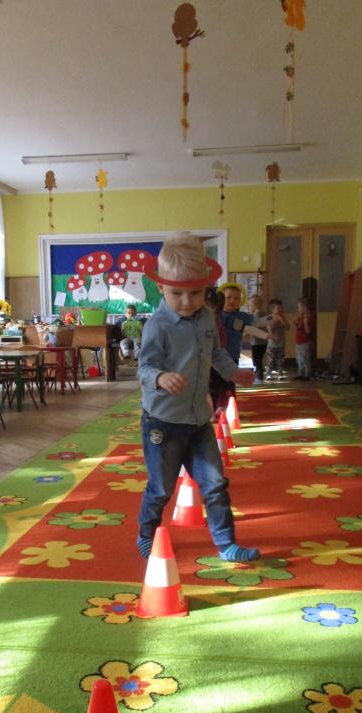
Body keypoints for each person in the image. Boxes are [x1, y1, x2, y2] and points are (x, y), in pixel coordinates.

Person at [137, 232, 260, 564]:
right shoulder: (157, 326)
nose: (187, 301)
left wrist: (233, 372)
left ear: (206, 288)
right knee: (161, 489)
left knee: (215, 483)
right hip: (163, 422)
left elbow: (216, 353)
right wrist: (160, 377)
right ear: (161, 287)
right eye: (177, 293)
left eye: (196, 292)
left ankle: (226, 544)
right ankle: (146, 534)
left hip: (198, 420)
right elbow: (144, 368)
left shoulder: (207, 317)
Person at [204, 286, 230, 417]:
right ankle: (214, 409)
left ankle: (215, 409)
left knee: (215, 386)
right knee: (212, 387)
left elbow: (218, 347)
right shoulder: (212, 320)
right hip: (207, 361)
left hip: (213, 361)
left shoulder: (215, 321)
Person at [264, 298, 290, 381]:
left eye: (281, 308)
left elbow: (288, 327)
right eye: (278, 308)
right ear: (272, 309)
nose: (280, 310)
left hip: (281, 342)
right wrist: (275, 321)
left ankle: (280, 373)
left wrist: (282, 320)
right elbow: (269, 329)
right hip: (272, 343)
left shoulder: (283, 317)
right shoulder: (269, 317)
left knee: (280, 359)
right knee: (270, 359)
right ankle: (268, 374)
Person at [247, 294, 268, 383]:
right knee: (259, 358)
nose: (249, 307)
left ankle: (259, 375)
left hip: (257, 342)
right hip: (263, 342)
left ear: (254, 305)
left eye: (249, 305)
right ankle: (259, 372)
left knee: (256, 360)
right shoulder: (263, 313)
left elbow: (255, 325)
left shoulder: (257, 314)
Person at [293, 297, 315, 380]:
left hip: (305, 342)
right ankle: (301, 373)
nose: (297, 309)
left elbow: (308, 331)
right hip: (298, 341)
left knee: (305, 359)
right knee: (299, 359)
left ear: (304, 308)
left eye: (299, 307)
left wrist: (305, 322)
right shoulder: (301, 316)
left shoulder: (309, 317)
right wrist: (297, 319)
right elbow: (296, 324)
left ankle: (307, 375)